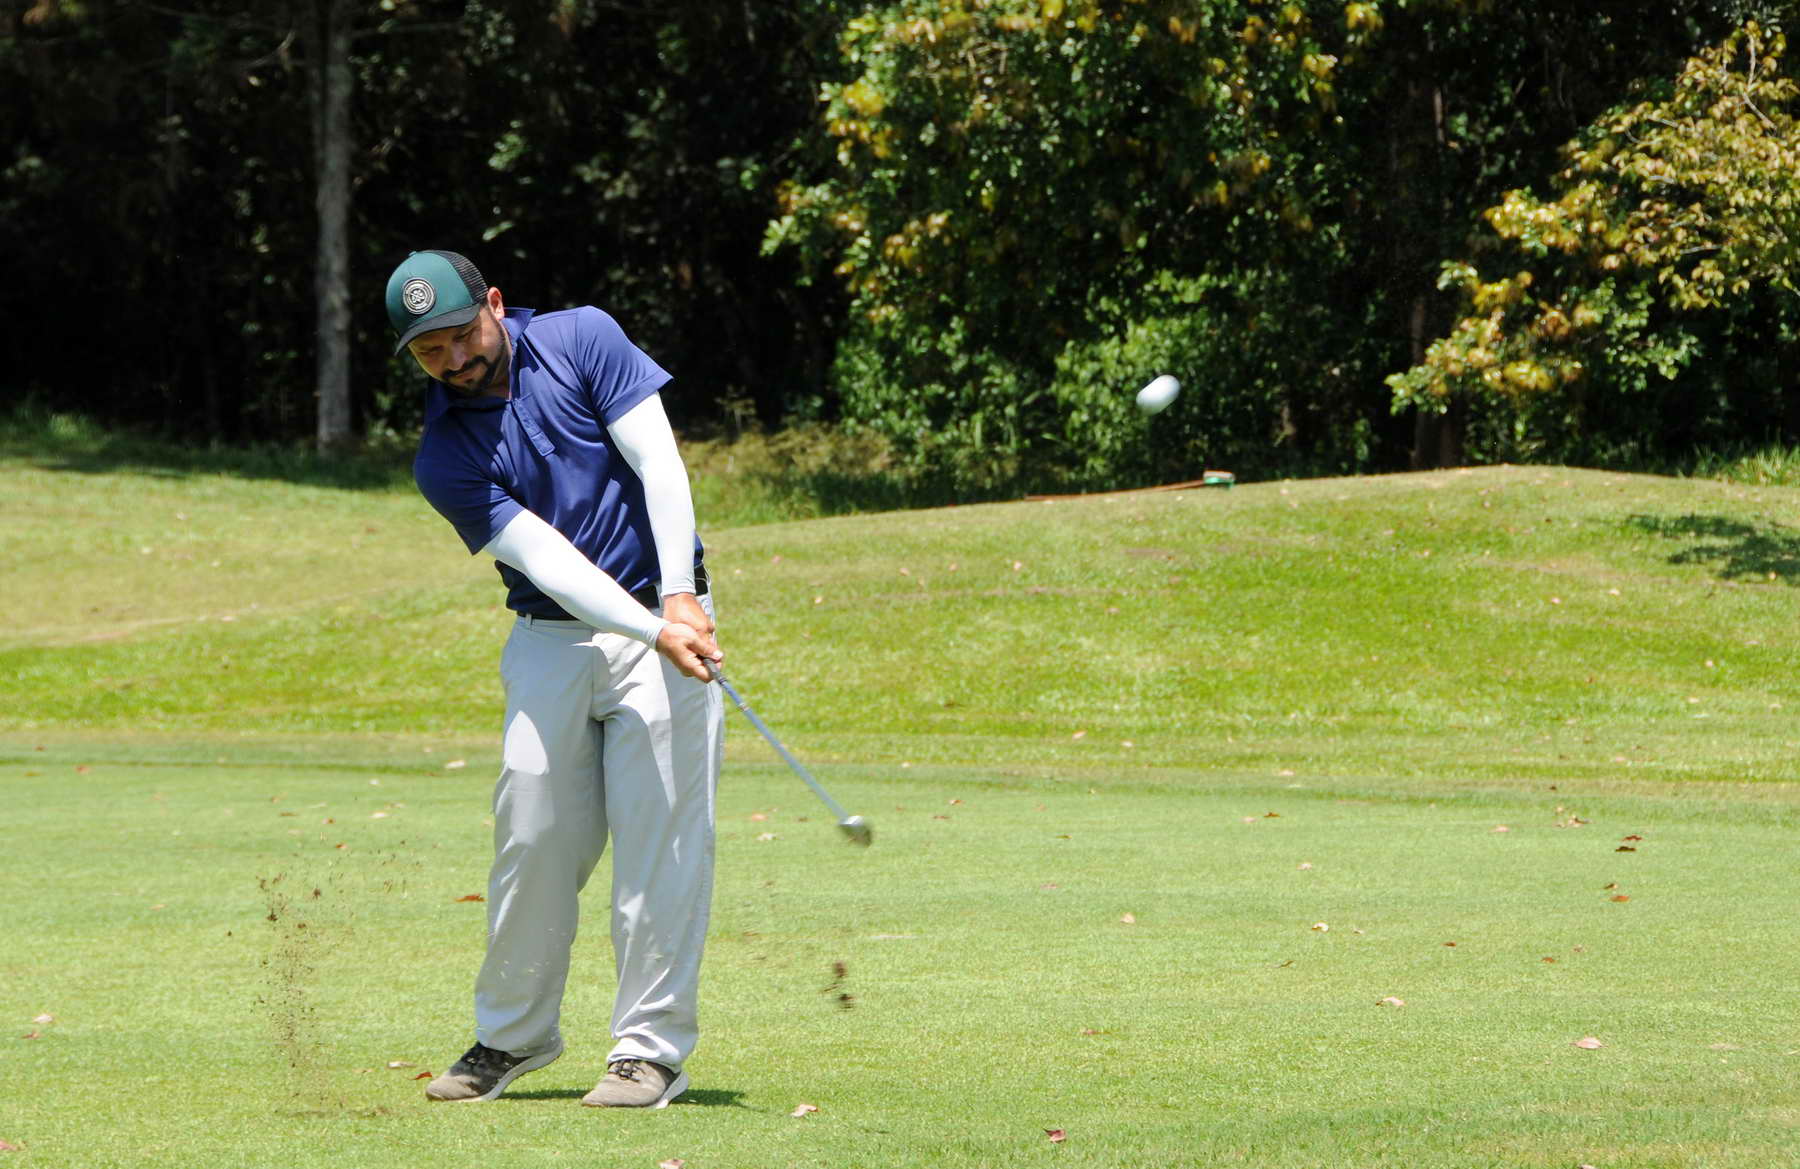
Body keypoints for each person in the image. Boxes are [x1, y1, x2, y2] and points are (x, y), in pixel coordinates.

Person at [384, 249, 724, 1109]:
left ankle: (648, 1051)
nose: (453, 359)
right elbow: (549, 561)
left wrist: (677, 596)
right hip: (553, 636)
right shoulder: (443, 456)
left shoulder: (584, 339)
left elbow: (659, 462)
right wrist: (653, 627)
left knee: (662, 843)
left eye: (462, 334)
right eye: (430, 351)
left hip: (666, 611)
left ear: (495, 304)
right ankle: (514, 1034)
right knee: (530, 836)